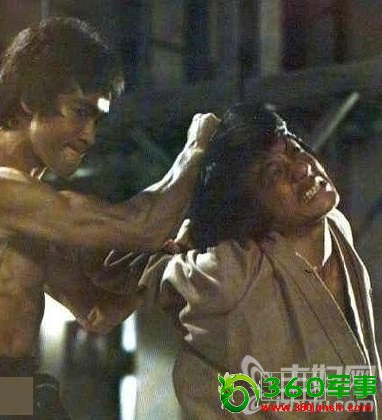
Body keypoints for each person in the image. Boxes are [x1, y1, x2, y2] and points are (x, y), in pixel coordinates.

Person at [0, 17, 219, 419]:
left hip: (2, 390)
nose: (89, 136)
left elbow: (97, 312)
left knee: (39, 399)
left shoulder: (26, 214)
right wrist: (198, 149)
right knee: (39, 401)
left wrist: (160, 260)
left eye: (96, 119)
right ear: (29, 100)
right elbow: (141, 227)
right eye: (79, 112)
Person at [88, 104, 382, 419]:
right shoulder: (229, 273)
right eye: (275, 173)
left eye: (294, 149)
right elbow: (115, 262)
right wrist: (192, 161)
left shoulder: (335, 226)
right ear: (253, 209)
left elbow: (354, 388)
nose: (301, 168)